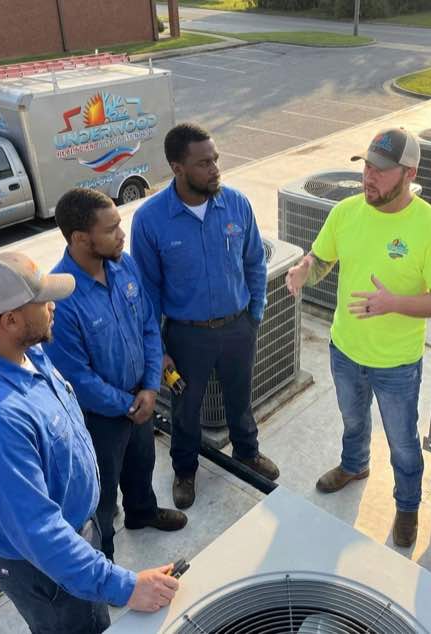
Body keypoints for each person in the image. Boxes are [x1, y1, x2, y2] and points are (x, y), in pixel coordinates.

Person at [0, 252, 179, 633]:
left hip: (80, 532)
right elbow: (39, 533)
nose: (54, 304)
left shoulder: (28, 350)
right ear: (10, 319)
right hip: (48, 566)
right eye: (43, 300)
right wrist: (127, 587)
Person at [285, 127, 431, 548]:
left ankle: (406, 506)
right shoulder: (346, 212)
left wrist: (394, 303)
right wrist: (304, 268)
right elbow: (322, 258)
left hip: (396, 363)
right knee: (353, 420)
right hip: (345, 349)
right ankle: (354, 465)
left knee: (402, 443)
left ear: (409, 173)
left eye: (381, 170)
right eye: (366, 166)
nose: (369, 177)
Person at [131, 122, 279, 510]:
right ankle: (184, 470)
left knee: (240, 398)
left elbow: (254, 264)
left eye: (215, 159)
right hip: (186, 336)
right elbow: (148, 293)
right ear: (177, 168)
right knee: (186, 408)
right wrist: (158, 349)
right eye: (203, 163)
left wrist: (255, 315)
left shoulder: (237, 204)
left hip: (237, 327)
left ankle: (247, 452)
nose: (215, 169)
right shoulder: (150, 220)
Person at [43, 188, 187, 564]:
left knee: (142, 465)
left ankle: (142, 512)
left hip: (142, 397)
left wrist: (151, 387)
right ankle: (102, 555)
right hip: (100, 419)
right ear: (80, 238)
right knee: (102, 493)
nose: (122, 235)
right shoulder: (61, 296)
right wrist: (128, 404)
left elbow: (148, 328)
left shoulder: (126, 266)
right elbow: (77, 376)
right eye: (111, 229)